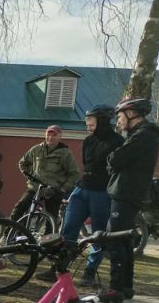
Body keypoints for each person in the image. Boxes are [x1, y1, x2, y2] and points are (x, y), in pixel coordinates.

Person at [98, 97, 159, 303]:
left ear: (131, 114)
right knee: (125, 239)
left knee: (113, 237)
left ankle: (116, 287)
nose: (118, 121)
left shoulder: (143, 135)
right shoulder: (140, 135)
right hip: (128, 192)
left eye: (119, 116)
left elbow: (115, 159)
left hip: (126, 192)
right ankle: (126, 286)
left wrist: (113, 159)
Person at [51, 104, 123, 285]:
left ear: (102, 121)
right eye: (86, 120)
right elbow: (87, 164)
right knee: (68, 230)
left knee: (98, 235)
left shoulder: (117, 142)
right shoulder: (88, 141)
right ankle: (59, 269)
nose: (87, 123)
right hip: (81, 189)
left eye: (90, 120)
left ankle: (89, 273)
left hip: (102, 193)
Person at [9, 125, 79, 223]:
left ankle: (50, 233)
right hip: (35, 187)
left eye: (54, 135)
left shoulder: (66, 154)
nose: (50, 137)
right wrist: (31, 177)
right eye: (48, 134)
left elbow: (74, 174)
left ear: (60, 136)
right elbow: (22, 163)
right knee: (19, 208)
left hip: (54, 190)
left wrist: (63, 189)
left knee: (51, 218)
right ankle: (11, 230)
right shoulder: (36, 149)